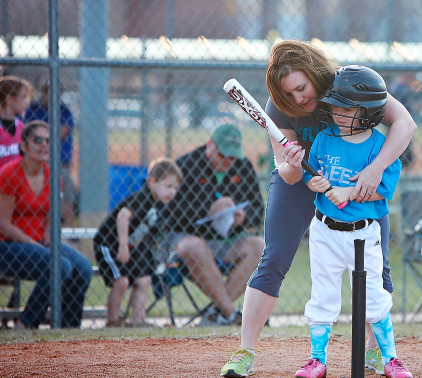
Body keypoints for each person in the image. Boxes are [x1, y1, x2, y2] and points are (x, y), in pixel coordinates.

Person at [220, 40, 415, 378]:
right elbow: (286, 170)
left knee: (377, 266)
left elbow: (405, 124)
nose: (297, 99)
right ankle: (245, 351)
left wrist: (377, 167)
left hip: (354, 178)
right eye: (288, 94)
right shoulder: (280, 106)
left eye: (301, 88)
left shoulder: (346, 84)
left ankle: (375, 352)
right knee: (275, 256)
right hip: (301, 181)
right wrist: (294, 163)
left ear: (313, 73)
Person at [290, 65, 412, 378]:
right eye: (336, 108)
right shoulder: (324, 139)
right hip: (324, 231)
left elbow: (383, 190)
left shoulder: (379, 147)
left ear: (369, 112)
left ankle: (390, 358)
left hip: (363, 235)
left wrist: (348, 192)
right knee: (323, 296)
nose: (339, 114)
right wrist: (313, 182)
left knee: (374, 296)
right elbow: (311, 173)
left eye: (348, 109)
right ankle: (317, 359)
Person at [163, 124, 265, 326]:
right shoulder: (186, 165)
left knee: (259, 246)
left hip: (224, 240)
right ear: (210, 145)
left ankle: (215, 314)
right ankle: (229, 314)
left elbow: (258, 209)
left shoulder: (243, 166)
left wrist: (243, 216)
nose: (228, 161)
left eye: (232, 157)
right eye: (223, 155)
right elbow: (168, 211)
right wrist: (208, 211)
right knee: (195, 247)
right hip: (186, 238)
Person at [0, 121, 92, 329]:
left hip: (39, 242)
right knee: (60, 266)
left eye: (48, 141)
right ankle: (25, 325)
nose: (44, 145)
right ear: (23, 146)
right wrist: (33, 243)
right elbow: (3, 224)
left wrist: (49, 241)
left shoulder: (53, 176)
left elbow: (51, 219)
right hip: (7, 245)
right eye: (37, 140)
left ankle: (67, 329)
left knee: (83, 267)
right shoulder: (9, 174)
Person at [93, 157, 182, 327]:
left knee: (144, 280)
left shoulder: (159, 203)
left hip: (132, 246)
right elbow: (123, 216)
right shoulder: (144, 198)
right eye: (168, 186)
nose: (173, 192)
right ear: (152, 182)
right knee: (122, 281)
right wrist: (123, 246)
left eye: (175, 188)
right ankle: (113, 321)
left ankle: (137, 321)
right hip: (109, 244)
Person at [24, 81, 77, 226]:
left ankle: (70, 230)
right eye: (48, 91)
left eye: (57, 91)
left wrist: (39, 136)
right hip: (36, 161)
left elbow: (60, 133)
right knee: (38, 196)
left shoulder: (64, 110)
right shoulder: (34, 109)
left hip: (60, 161)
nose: (52, 95)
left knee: (65, 196)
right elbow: (27, 132)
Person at [0, 75, 31, 168]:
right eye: (24, 97)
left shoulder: (22, 127)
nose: (27, 102)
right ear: (9, 99)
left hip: (17, 181)